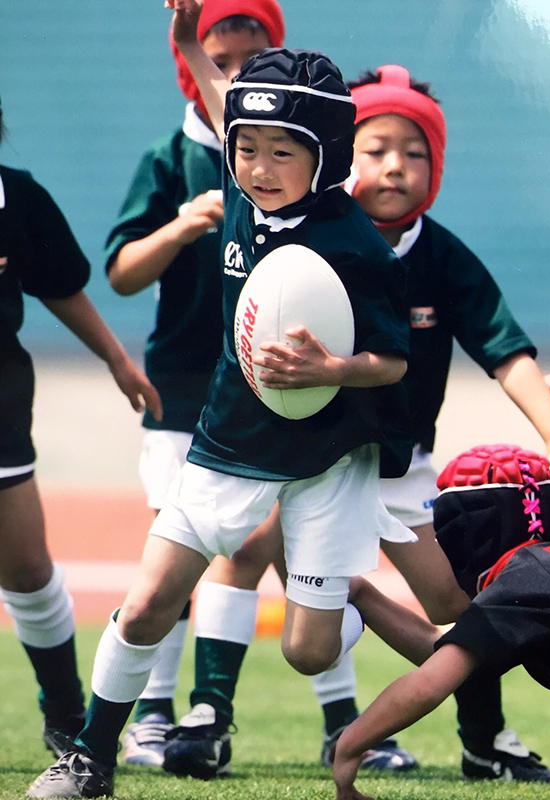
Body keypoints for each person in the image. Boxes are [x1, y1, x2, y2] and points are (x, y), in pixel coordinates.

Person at [166, 62, 550, 784]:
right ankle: (206, 717)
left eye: (415, 151)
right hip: (304, 455)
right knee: (242, 554)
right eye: (376, 149)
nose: (395, 166)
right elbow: (228, 117)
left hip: (397, 462)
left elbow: (508, 353)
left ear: (437, 165)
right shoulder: (304, 229)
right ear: (338, 156)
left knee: (460, 602)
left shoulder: (446, 257)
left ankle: (483, 740)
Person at [26, 2, 418, 796]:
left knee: (311, 651)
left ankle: (348, 588)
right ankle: (90, 759)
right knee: (143, 608)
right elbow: (220, 98)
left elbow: (394, 364)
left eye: (282, 153)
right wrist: (181, 41)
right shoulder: (244, 192)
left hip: (327, 461)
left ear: (326, 154)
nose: (259, 168)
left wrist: (334, 369)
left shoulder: (354, 246)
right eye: (246, 150)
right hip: (228, 441)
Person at [103, 0, 286, 769]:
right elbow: (118, 274)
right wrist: (180, 227)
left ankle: (331, 719)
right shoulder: (169, 157)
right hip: (181, 389)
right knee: (169, 559)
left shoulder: (284, 161)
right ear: (192, 61)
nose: (237, 72)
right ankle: (151, 714)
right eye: (223, 57)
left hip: (263, 395)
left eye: (255, 56)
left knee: (264, 552)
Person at [0, 96, 162, 761]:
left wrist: (118, 361)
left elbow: (60, 286)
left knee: (28, 569)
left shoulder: (18, 198)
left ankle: (66, 710)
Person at [332, 442, 550, 800]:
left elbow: (429, 684)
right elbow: (447, 657)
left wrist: (349, 746)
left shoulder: (527, 582)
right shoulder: (547, 572)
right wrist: (365, 597)